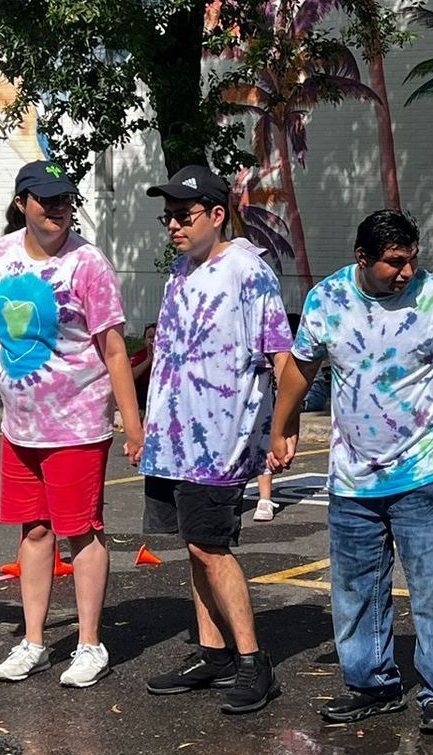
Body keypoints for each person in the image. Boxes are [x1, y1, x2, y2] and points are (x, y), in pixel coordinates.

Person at [271, 209, 433, 735]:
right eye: (394, 263)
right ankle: (372, 685)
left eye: (410, 260)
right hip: (353, 479)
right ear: (362, 258)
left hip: (426, 472)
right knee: (356, 592)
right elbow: (301, 367)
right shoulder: (327, 299)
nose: (407, 272)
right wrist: (282, 425)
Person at [0, 161, 144, 688]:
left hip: (77, 425)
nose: (56, 209)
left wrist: (132, 424)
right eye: (45, 200)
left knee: (81, 531)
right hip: (20, 427)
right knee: (35, 531)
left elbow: (115, 349)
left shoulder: (88, 264)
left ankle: (89, 644)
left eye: (64, 200)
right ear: (22, 204)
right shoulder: (0, 257)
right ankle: (33, 641)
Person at [136, 165, 289, 714]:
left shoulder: (247, 271)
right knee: (192, 546)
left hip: (218, 438)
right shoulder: (182, 269)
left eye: (184, 215)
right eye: (169, 216)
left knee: (210, 545)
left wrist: (282, 426)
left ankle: (253, 662)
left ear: (217, 215)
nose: (174, 226)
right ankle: (213, 652)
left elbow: (280, 352)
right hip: (172, 439)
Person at [130, 321, 278, 519]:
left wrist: (285, 424)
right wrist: (142, 427)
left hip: (237, 395)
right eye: (149, 336)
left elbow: (278, 356)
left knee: (258, 440)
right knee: (191, 531)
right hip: (187, 420)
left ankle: (264, 498)